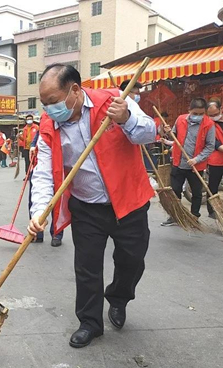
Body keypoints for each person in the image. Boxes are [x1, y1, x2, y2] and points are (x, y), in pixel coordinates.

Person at [27, 64, 156, 348]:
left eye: (53, 102)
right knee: (86, 267)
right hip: (86, 207)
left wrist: (126, 119)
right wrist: (39, 212)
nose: (48, 110)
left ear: (75, 90)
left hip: (129, 201)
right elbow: (44, 172)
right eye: (44, 103)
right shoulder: (49, 126)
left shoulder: (114, 101)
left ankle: (119, 297)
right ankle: (90, 322)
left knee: (132, 260)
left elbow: (149, 133)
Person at [161, 98, 215, 225]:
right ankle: (175, 216)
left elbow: (210, 146)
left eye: (201, 114)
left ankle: (194, 217)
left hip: (196, 166)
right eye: (195, 113)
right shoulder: (180, 119)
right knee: (175, 191)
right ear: (189, 110)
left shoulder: (209, 124)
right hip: (178, 163)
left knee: (196, 193)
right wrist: (168, 132)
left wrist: (197, 159)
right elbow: (172, 135)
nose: (198, 116)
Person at [206, 99, 223, 219]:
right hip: (217, 159)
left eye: (215, 114)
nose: (213, 117)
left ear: (221, 109)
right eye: (210, 115)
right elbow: (214, 143)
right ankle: (212, 211)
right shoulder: (208, 124)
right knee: (213, 186)